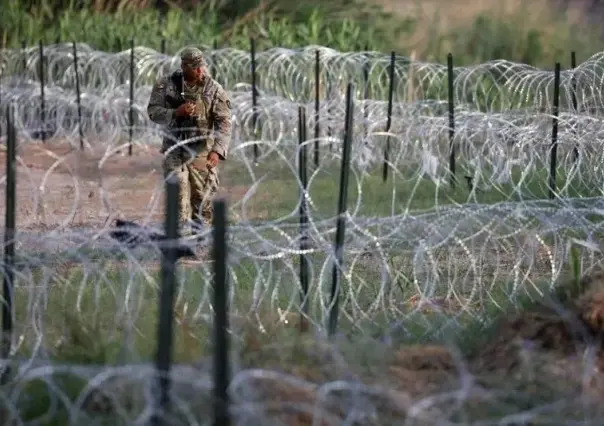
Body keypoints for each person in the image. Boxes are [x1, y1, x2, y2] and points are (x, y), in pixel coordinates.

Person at [147, 47, 232, 257]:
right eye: (195, 68)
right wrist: (176, 112)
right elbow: (153, 112)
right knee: (179, 190)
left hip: (201, 149)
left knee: (202, 197)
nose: (200, 71)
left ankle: (201, 238)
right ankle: (180, 242)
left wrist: (217, 151)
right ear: (184, 66)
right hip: (174, 147)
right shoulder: (166, 85)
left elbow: (223, 123)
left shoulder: (213, 89)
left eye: (201, 66)